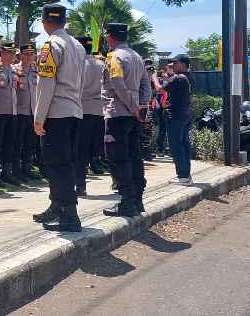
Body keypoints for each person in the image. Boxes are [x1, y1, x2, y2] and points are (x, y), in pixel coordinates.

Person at [31, 4, 85, 232]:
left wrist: (38, 116)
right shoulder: (77, 45)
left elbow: (46, 83)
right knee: (65, 162)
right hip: (73, 110)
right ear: (64, 21)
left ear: (44, 22)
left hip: (56, 113)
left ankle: (69, 214)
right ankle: (57, 205)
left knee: (57, 164)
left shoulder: (51, 45)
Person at [101, 23, 152, 217]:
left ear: (110, 37)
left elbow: (117, 84)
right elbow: (146, 85)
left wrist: (132, 106)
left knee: (118, 158)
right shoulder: (137, 57)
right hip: (134, 115)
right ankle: (137, 199)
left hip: (118, 113)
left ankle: (127, 201)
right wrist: (141, 107)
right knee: (134, 156)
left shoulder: (114, 56)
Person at [152, 54, 193, 184]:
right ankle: (186, 174)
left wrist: (154, 77)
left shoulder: (178, 78)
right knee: (184, 144)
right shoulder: (189, 77)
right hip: (185, 115)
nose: (172, 66)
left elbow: (159, 89)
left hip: (175, 116)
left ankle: (183, 176)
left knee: (176, 145)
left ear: (182, 64)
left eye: (174, 63)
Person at [74, 36, 105, 197]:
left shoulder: (78, 64)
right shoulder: (101, 64)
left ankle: (80, 185)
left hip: (82, 108)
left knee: (81, 150)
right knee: (97, 148)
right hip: (98, 109)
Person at [0, 40, 20, 186]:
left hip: (11, 111)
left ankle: (7, 172)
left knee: (9, 143)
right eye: (9, 52)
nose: (12, 55)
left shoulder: (13, 69)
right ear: (2, 52)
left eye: (13, 52)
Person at [14, 43, 39, 180]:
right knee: (18, 142)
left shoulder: (37, 70)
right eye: (26, 54)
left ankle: (27, 167)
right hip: (19, 111)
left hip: (33, 111)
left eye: (31, 54)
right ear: (20, 55)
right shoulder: (15, 70)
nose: (29, 57)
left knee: (30, 142)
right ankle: (16, 169)